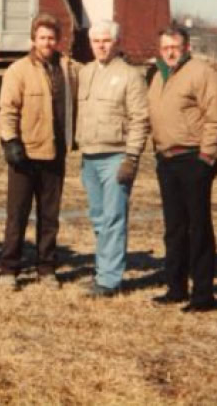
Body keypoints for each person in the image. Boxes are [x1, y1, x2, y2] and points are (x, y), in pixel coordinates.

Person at [147, 26, 217, 312]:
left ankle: (203, 295)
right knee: (175, 229)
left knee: (198, 228)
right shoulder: (158, 76)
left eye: (175, 46)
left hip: (193, 159)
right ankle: (176, 287)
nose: (170, 51)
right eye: (165, 46)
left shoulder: (202, 73)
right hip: (166, 161)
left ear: (186, 47)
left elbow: (216, 116)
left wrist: (206, 156)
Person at [0, 13, 78, 291]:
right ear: (33, 39)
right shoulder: (18, 70)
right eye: (42, 37)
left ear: (58, 41)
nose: (47, 42)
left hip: (54, 153)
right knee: (17, 215)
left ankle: (46, 268)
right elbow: (7, 110)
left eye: (51, 38)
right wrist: (10, 142)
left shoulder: (68, 69)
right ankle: (9, 269)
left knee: (49, 216)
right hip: (25, 154)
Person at [74, 20, 150, 297]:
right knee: (97, 217)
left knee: (114, 218)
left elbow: (140, 118)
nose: (101, 46)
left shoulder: (131, 76)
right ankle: (102, 271)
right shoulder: (85, 73)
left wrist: (131, 157)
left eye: (106, 40)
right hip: (89, 156)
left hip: (116, 156)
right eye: (96, 41)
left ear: (116, 42)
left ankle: (109, 280)